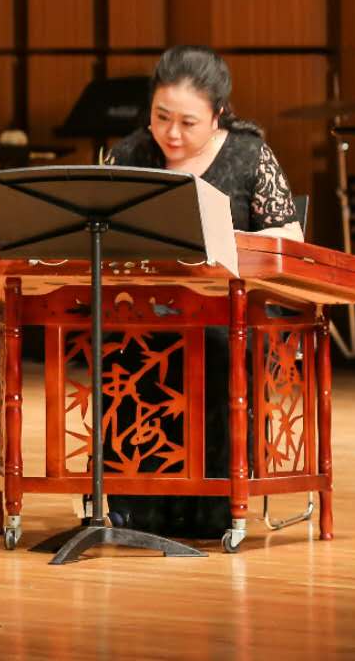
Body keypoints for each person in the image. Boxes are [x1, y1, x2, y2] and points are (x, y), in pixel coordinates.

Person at [101, 45, 299, 539]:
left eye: (187, 123)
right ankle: (136, 503)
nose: (171, 133)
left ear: (218, 115)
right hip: (146, 316)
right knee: (123, 349)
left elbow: (289, 241)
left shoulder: (249, 156)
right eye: (161, 117)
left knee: (209, 350)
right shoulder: (128, 155)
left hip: (228, 321)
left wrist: (230, 247)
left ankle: (213, 503)